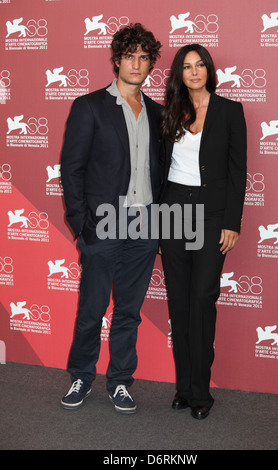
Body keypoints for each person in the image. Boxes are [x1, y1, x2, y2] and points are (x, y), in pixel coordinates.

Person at [60, 23, 162, 414]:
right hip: (102, 225)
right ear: (117, 61)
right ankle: (82, 376)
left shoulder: (157, 112)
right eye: (129, 56)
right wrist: (82, 224)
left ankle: (120, 380)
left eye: (143, 57)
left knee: (129, 311)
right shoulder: (89, 107)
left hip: (146, 226)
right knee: (92, 308)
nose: (136, 63)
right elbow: (72, 170)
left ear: (150, 63)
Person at [159, 44, 247, 420]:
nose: (194, 72)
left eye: (200, 65)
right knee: (179, 302)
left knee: (201, 300)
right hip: (174, 210)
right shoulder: (170, 112)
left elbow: (237, 171)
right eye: (186, 66)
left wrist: (232, 222)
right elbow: (159, 166)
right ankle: (183, 388)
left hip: (211, 215)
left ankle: (201, 393)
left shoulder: (230, 111)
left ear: (210, 70)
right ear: (179, 73)